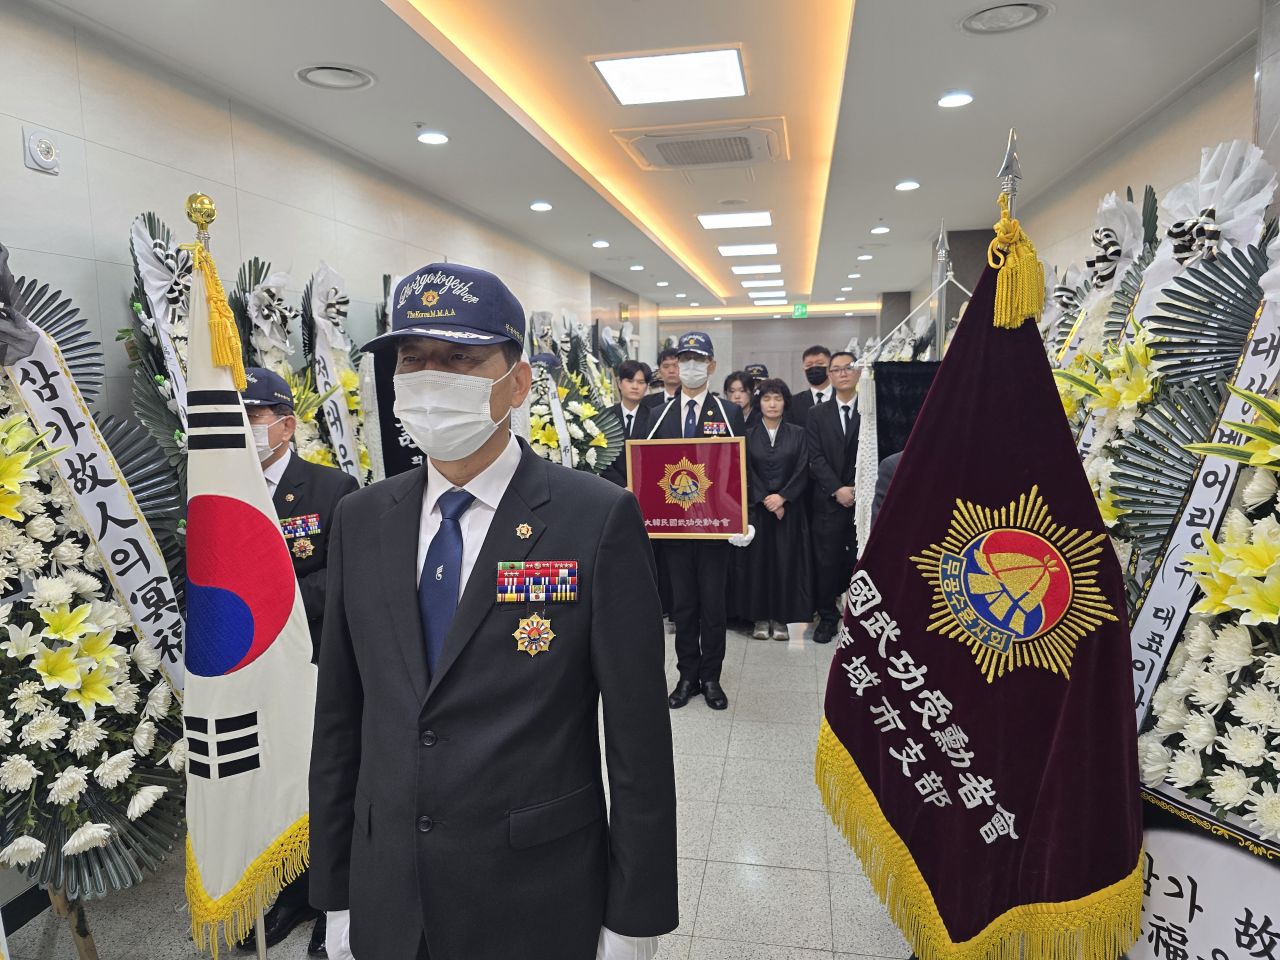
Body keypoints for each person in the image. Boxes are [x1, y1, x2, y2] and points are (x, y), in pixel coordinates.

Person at [309, 262, 678, 960]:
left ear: (518, 381)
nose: (430, 378)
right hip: (390, 888)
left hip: (533, 890)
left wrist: (634, 917)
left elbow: (638, 739)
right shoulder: (362, 518)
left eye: (460, 359)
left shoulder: (594, 518)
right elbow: (339, 721)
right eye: (412, 360)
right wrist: (333, 892)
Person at [239, 366, 358, 957]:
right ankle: (291, 892)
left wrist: (273, 605)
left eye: (254, 416)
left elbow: (346, 575)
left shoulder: (332, 488)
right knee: (276, 779)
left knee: (324, 776)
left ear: (285, 426)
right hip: (250, 666)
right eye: (235, 416)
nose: (244, 427)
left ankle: (332, 896)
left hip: (314, 658)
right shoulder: (221, 489)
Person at [644, 331, 745, 711]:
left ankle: (711, 677)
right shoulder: (658, 414)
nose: (690, 367)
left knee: (713, 607)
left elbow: (739, 468)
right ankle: (687, 675)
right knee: (683, 606)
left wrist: (742, 518)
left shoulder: (728, 413)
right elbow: (646, 468)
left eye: (698, 360)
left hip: (715, 529)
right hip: (674, 529)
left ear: (711, 366)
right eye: (684, 360)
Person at [744, 379, 812, 640]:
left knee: (787, 563)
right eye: (766, 399)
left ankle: (782, 619)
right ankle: (760, 618)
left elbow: (803, 468)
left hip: (789, 510)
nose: (772, 404)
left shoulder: (798, 433)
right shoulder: (748, 435)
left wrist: (783, 497)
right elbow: (746, 470)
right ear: (759, 403)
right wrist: (765, 498)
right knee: (758, 563)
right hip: (758, 510)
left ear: (785, 402)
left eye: (778, 398)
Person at [806, 350, 860, 644]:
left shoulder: (871, 409)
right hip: (828, 500)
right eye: (836, 369)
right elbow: (814, 458)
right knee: (825, 562)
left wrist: (855, 488)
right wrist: (837, 489)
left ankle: (858, 618)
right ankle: (827, 617)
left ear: (858, 372)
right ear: (830, 376)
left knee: (857, 560)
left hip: (862, 500)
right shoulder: (817, 414)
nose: (842, 373)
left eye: (848, 367)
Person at [602, 359, 653, 487]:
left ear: (647, 386)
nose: (635, 386)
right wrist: (622, 486)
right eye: (630, 381)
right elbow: (601, 457)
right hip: (612, 487)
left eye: (641, 382)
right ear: (619, 383)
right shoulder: (605, 417)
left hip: (645, 485)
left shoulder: (654, 417)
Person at [789, 345, 834, 424]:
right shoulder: (793, 403)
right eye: (809, 365)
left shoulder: (842, 397)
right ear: (804, 369)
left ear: (830, 366)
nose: (814, 368)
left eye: (820, 363)